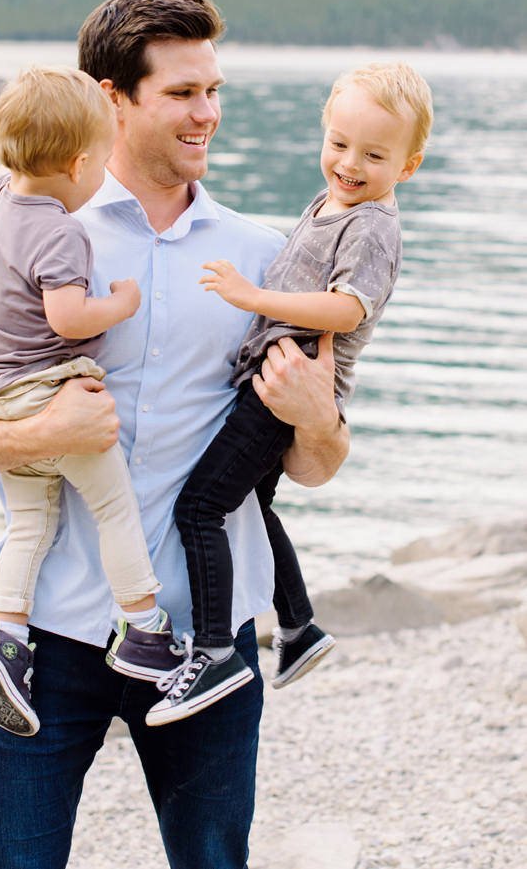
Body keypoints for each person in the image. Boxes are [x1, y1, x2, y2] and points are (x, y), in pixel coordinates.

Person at [0, 0, 351, 869]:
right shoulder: (26, 235)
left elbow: (313, 465)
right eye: (183, 93)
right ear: (111, 96)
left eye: (214, 90)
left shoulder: (266, 262)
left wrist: (317, 418)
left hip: (208, 645)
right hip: (49, 640)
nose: (209, 114)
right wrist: (37, 434)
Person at [148, 62, 431, 726]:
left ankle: (215, 650)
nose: (349, 163)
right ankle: (300, 628)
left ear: (409, 166)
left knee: (200, 508)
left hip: (288, 384)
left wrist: (253, 297)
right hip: (272, 376)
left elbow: (345, 310)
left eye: (374, 154)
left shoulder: (373, 227)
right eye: (338, 143)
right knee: (247, 504)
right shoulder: (332, 202)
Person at [0, 65, 167, 740]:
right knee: (112, 506)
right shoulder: (62, 231)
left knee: (28, 526)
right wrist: (123, 303)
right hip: (51, 395)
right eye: (102, 161)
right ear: (79, 164)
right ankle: (142, 627)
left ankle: (8, 639)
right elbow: (70, 315)